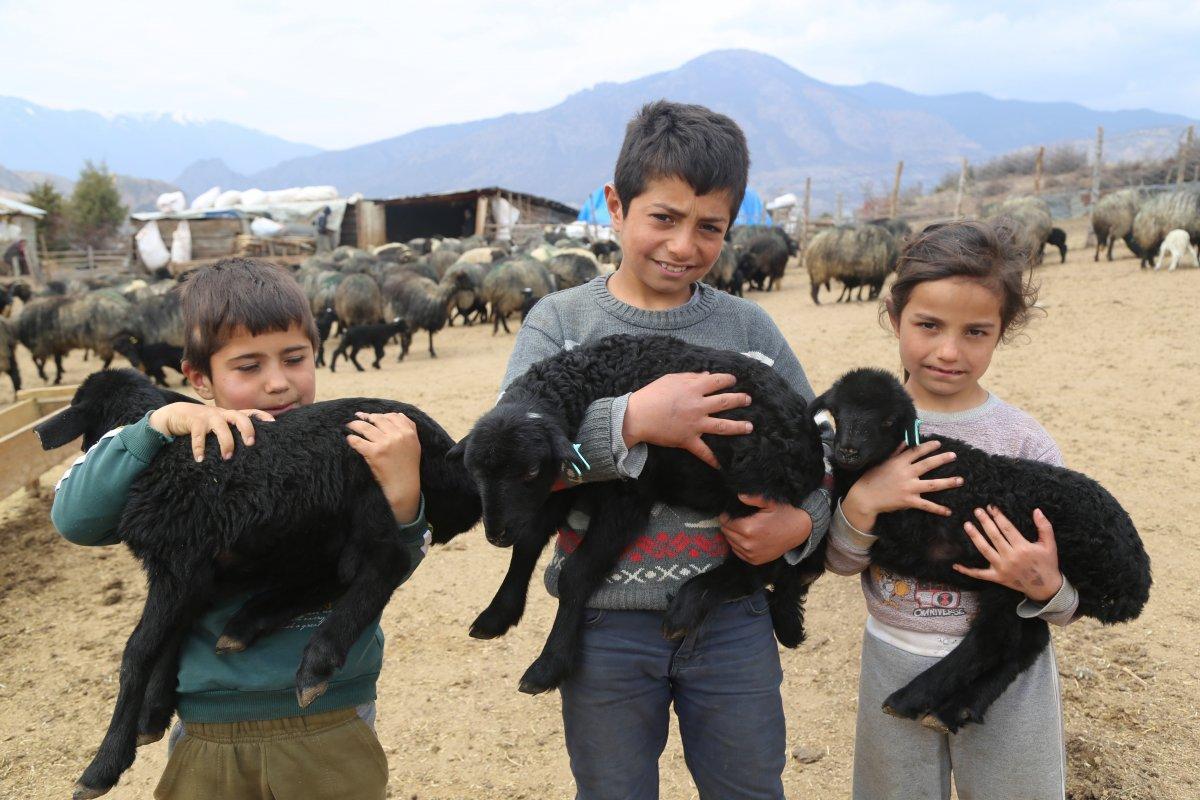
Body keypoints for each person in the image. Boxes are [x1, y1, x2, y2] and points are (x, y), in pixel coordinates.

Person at [498, 100, 831, 800]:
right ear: (616, 206)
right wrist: (630, 423)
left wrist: (801, 524)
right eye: (664, 218)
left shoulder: (748, 329)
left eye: (709, 227)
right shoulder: (560, 322)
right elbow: (516, 463)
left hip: (733, 620)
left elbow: (820, 455)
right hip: (604, 624)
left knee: (748, 786)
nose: (683, 245)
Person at [51, 257, 427, 800]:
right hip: (209, 724)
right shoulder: (187, 449)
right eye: (248, 367)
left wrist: (404, 498)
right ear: (200, 379)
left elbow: (386, 566)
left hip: (333, 717)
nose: (278, 383)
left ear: (316, 352)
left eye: (295, 358)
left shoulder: (344, 449)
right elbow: (76, 520)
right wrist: (156, 425)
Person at [825, 220, 1078, 800]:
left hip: (1006, 673)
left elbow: (1068, 595)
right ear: (895, 316)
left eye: (975, 332)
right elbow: (838, 562)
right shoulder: (860, 431)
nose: (948, 351)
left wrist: (1048, 588)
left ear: (1002, 331)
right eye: (929, 325)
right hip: (893, 655)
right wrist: (863, 501)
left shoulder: (1023, 441)